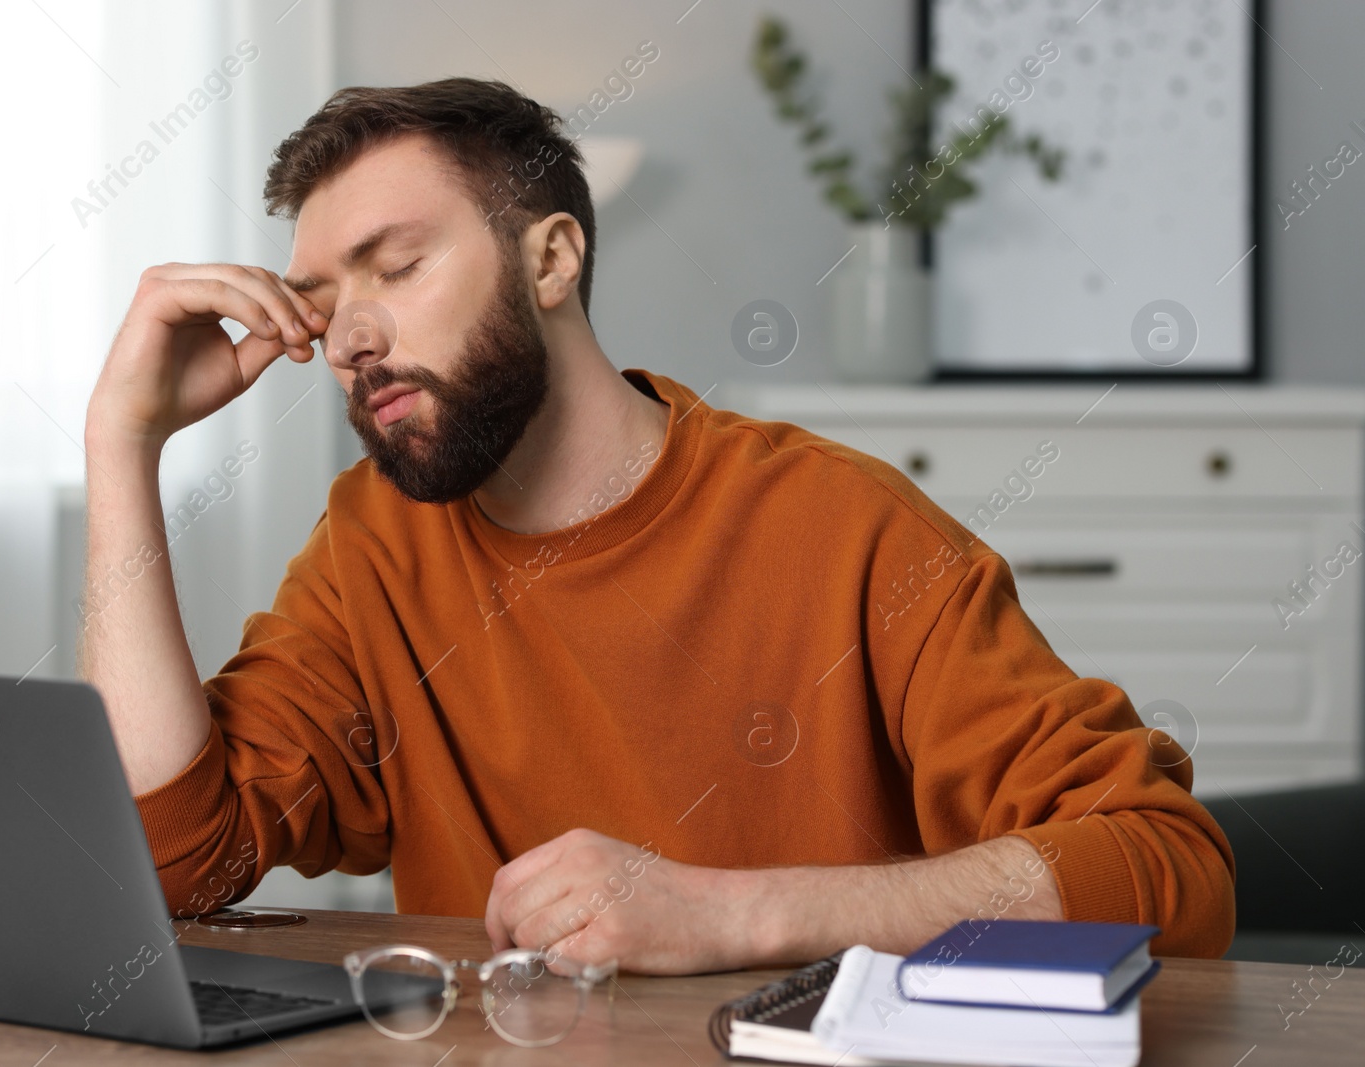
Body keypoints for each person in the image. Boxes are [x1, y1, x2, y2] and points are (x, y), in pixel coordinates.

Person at [78, 77, 1234, 976]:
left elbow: (1165, 869)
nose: (348, 340)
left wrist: (735, 911)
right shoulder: (369, 550)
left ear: (552, 259)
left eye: (400, 267)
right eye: (324, 307)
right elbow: (179, 863)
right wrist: (121, 447)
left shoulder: (844, 527)